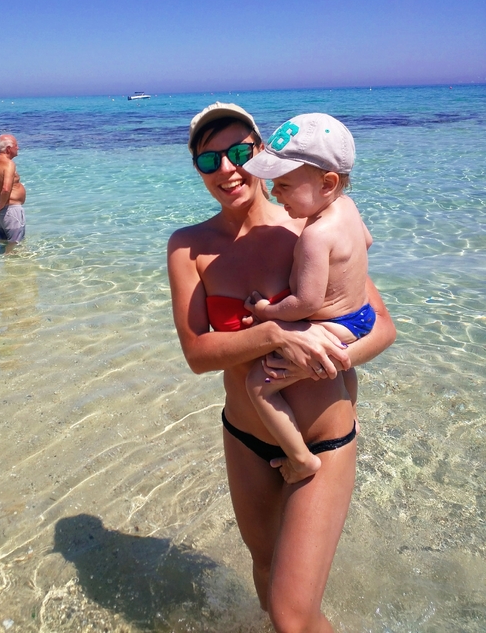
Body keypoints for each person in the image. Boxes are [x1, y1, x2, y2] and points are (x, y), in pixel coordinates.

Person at [167, 102, 395, 633]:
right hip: (245, 437)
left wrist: (330, 357)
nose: (228, 169)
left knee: (294, 615)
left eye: (240, 151)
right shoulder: (188, 247)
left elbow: (382, 325)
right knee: (268, 575)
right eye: (209, 160)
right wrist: (274, 334)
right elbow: (197, 354)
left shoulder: (309, 224)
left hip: (322, 441)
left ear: (261, 152)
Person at [241, 114, 376, 481]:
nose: (274, 193)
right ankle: (351, 414)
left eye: (284, 184)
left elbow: (307, 303)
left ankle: (302, 459)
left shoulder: (315, 236)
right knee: (347, 372)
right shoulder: (347, 207)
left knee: (258, 386)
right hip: (362, 316)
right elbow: (366, 241)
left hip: (334, 324)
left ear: (327, 183)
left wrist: (267, 310)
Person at [0, 134, 26, 253]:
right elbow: (6, 189)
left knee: (1, 240)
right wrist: (2, 205)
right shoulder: (9, 164)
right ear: (8, 148)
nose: (18, 148)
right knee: (15, 244)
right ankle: (10, 263)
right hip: (10, 211)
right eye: (16, 145)